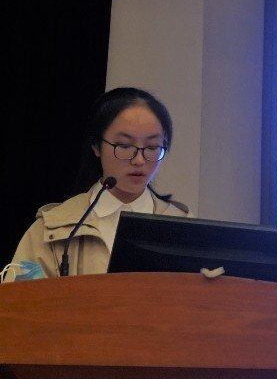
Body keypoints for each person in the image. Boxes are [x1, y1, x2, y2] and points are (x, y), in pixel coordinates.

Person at [6, 87, 189, 282]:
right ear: (96, 146)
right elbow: (18, 299)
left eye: (152, 147)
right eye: (124, 146)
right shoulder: (51, 228)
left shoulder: (184, 227)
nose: (139, 160)